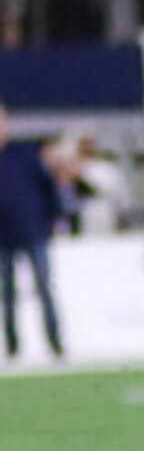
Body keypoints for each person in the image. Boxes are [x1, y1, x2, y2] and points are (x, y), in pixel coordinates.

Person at [0, 100, 70, 361]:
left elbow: (48, 187)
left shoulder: (25, 154)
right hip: (2, 237)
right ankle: (12, 348)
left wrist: (55, 217)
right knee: (7, 294)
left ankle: (55, 344)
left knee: (44, 288)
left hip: (32, 231)